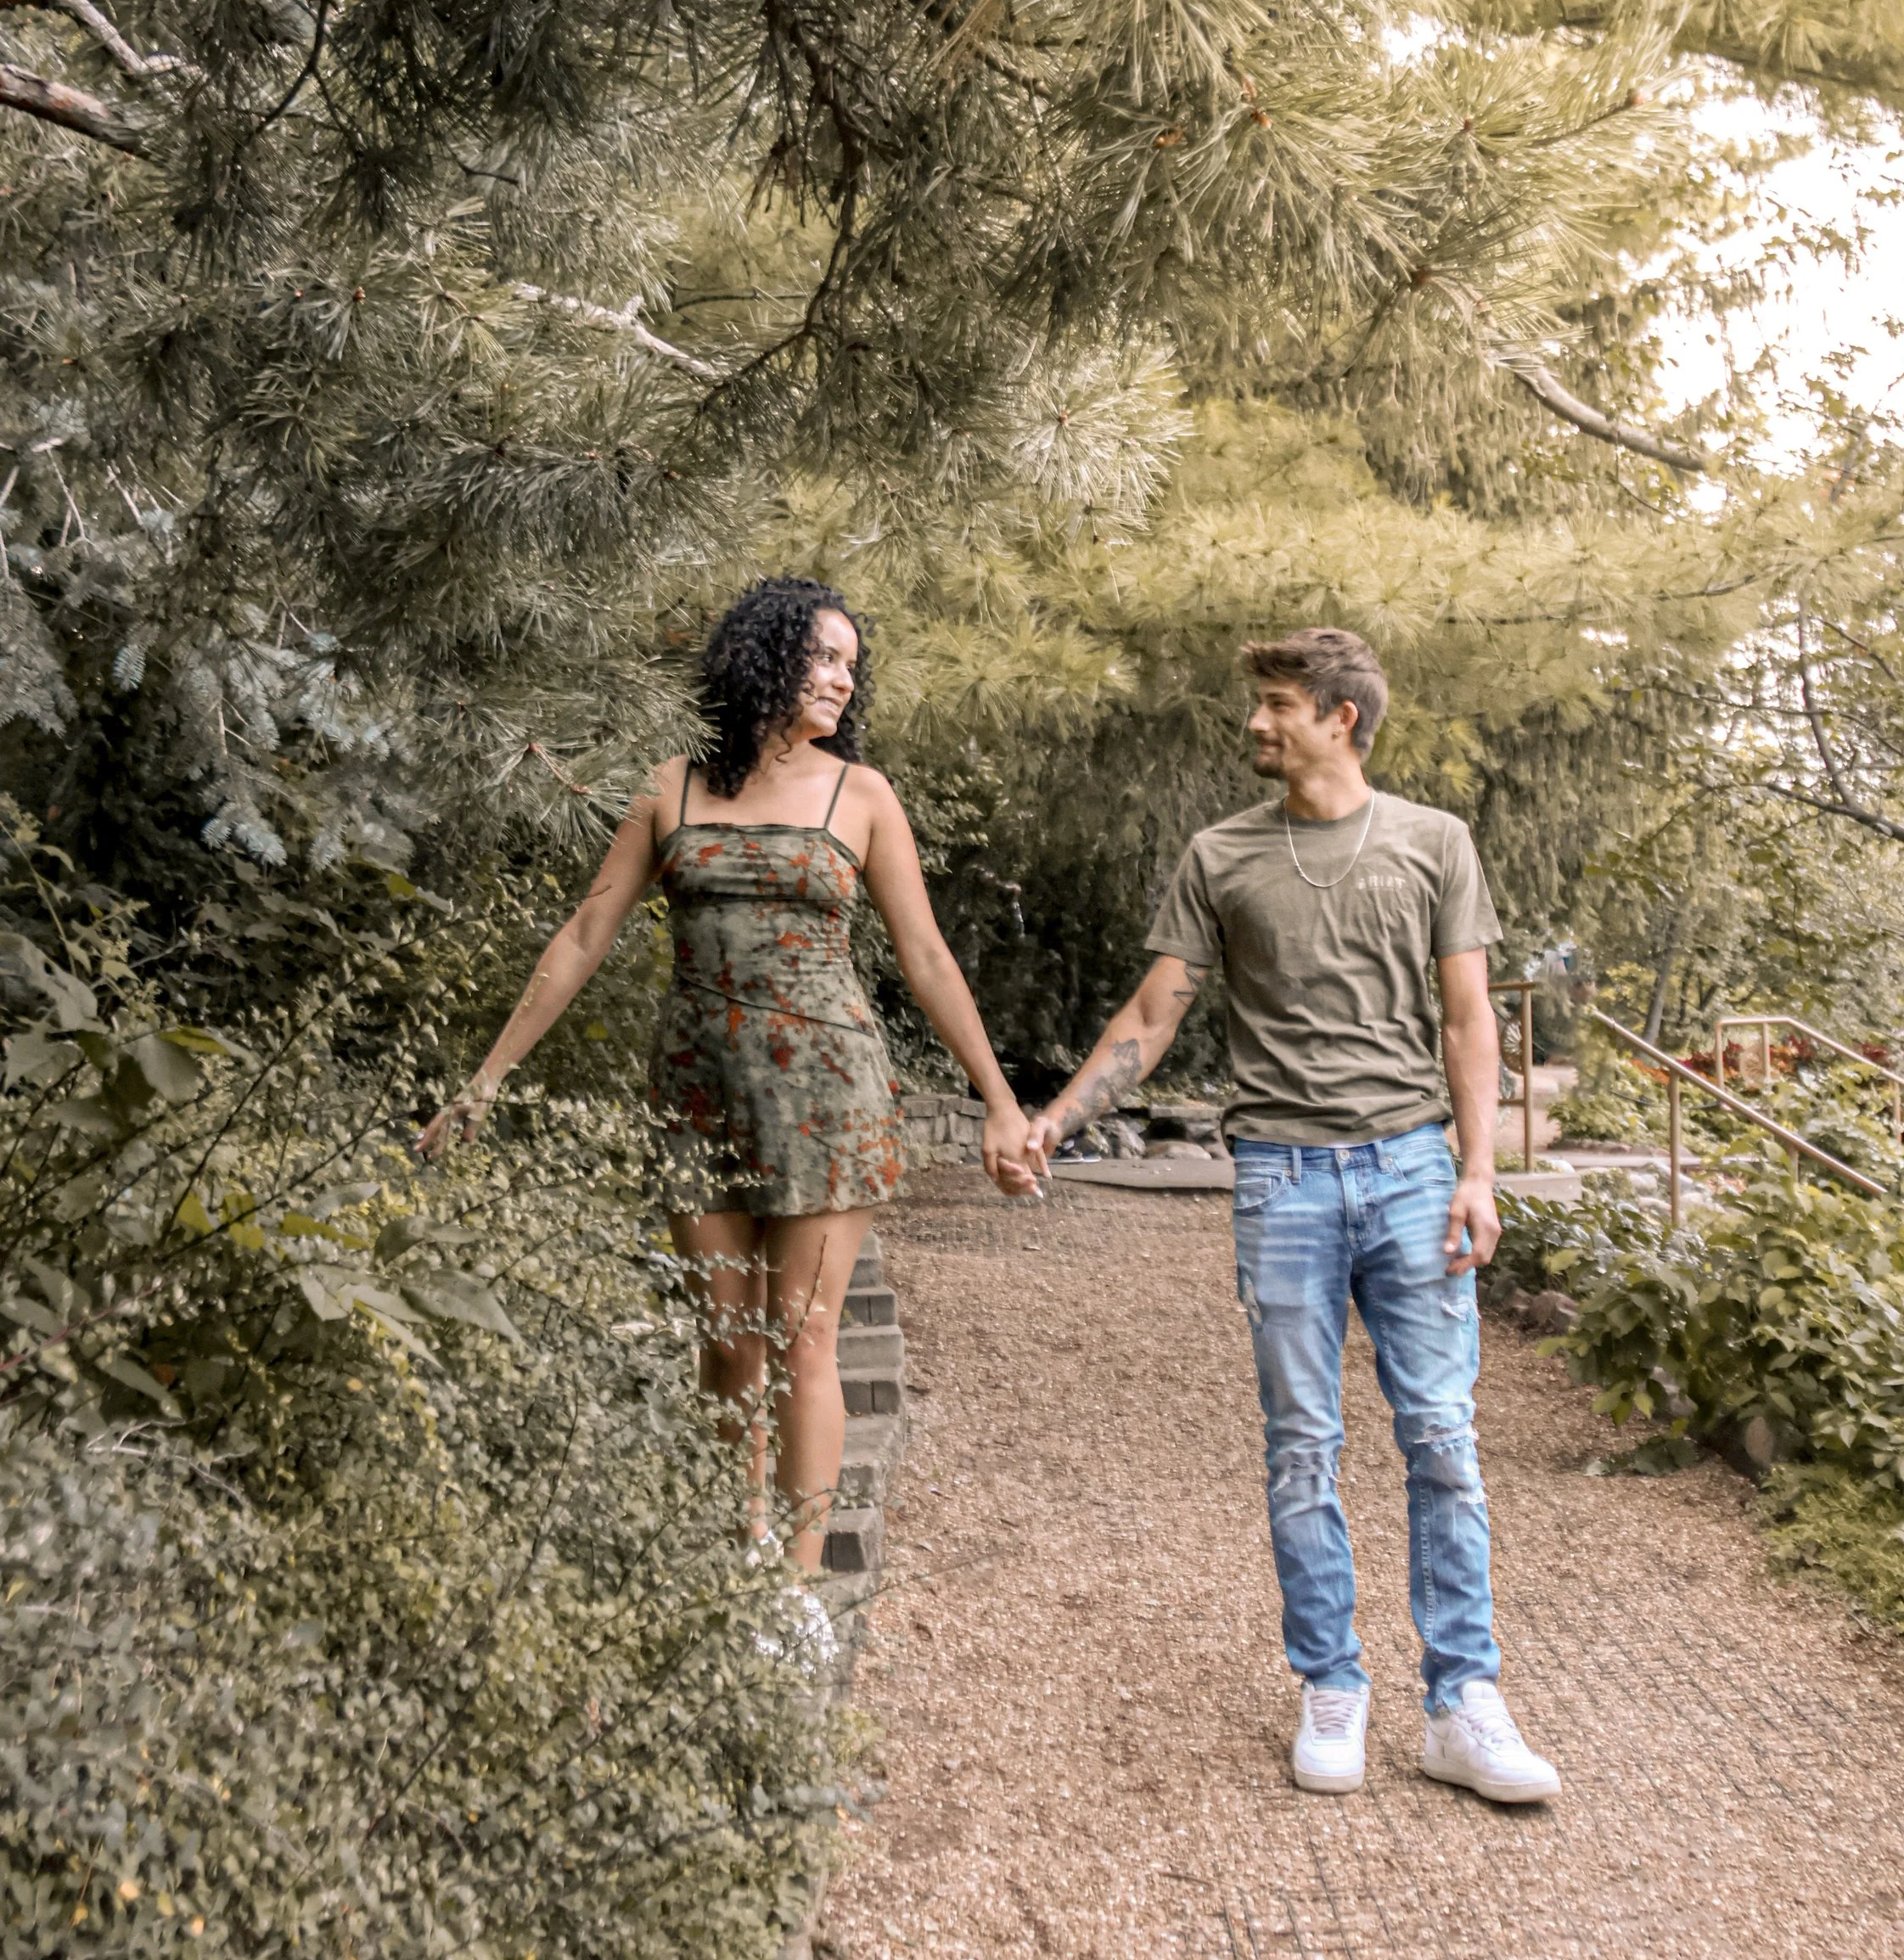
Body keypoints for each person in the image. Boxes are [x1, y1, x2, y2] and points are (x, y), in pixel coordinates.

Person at [1025, 626, 1559, 1805]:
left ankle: (1462, 1702)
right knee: (1302, 1445)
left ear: (1340, 717)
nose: (1255, 723)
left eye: (1276, 704)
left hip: (1416, 1170)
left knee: (1442, 1437)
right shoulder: (1220, 855)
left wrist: (1480, 1171)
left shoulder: (1434, 842)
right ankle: (1333, 1683)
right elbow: (1154, 1013)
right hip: (1282, 1177)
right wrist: (1058, 1119)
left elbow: (1470, 1021)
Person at [419, 576, 1033, 1575]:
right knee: (725, 1344)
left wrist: (999, 1104)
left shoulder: (861, 796)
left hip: (828, 1098)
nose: (842, 677)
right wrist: (487, 1079)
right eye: (822, 656)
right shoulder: (672, 787)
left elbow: (925, 958)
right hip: (696, 1093)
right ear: (765, 656)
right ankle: (736, 1553)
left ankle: (792, 1591)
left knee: (802, 1343)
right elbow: (585, 934)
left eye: (850, 662)